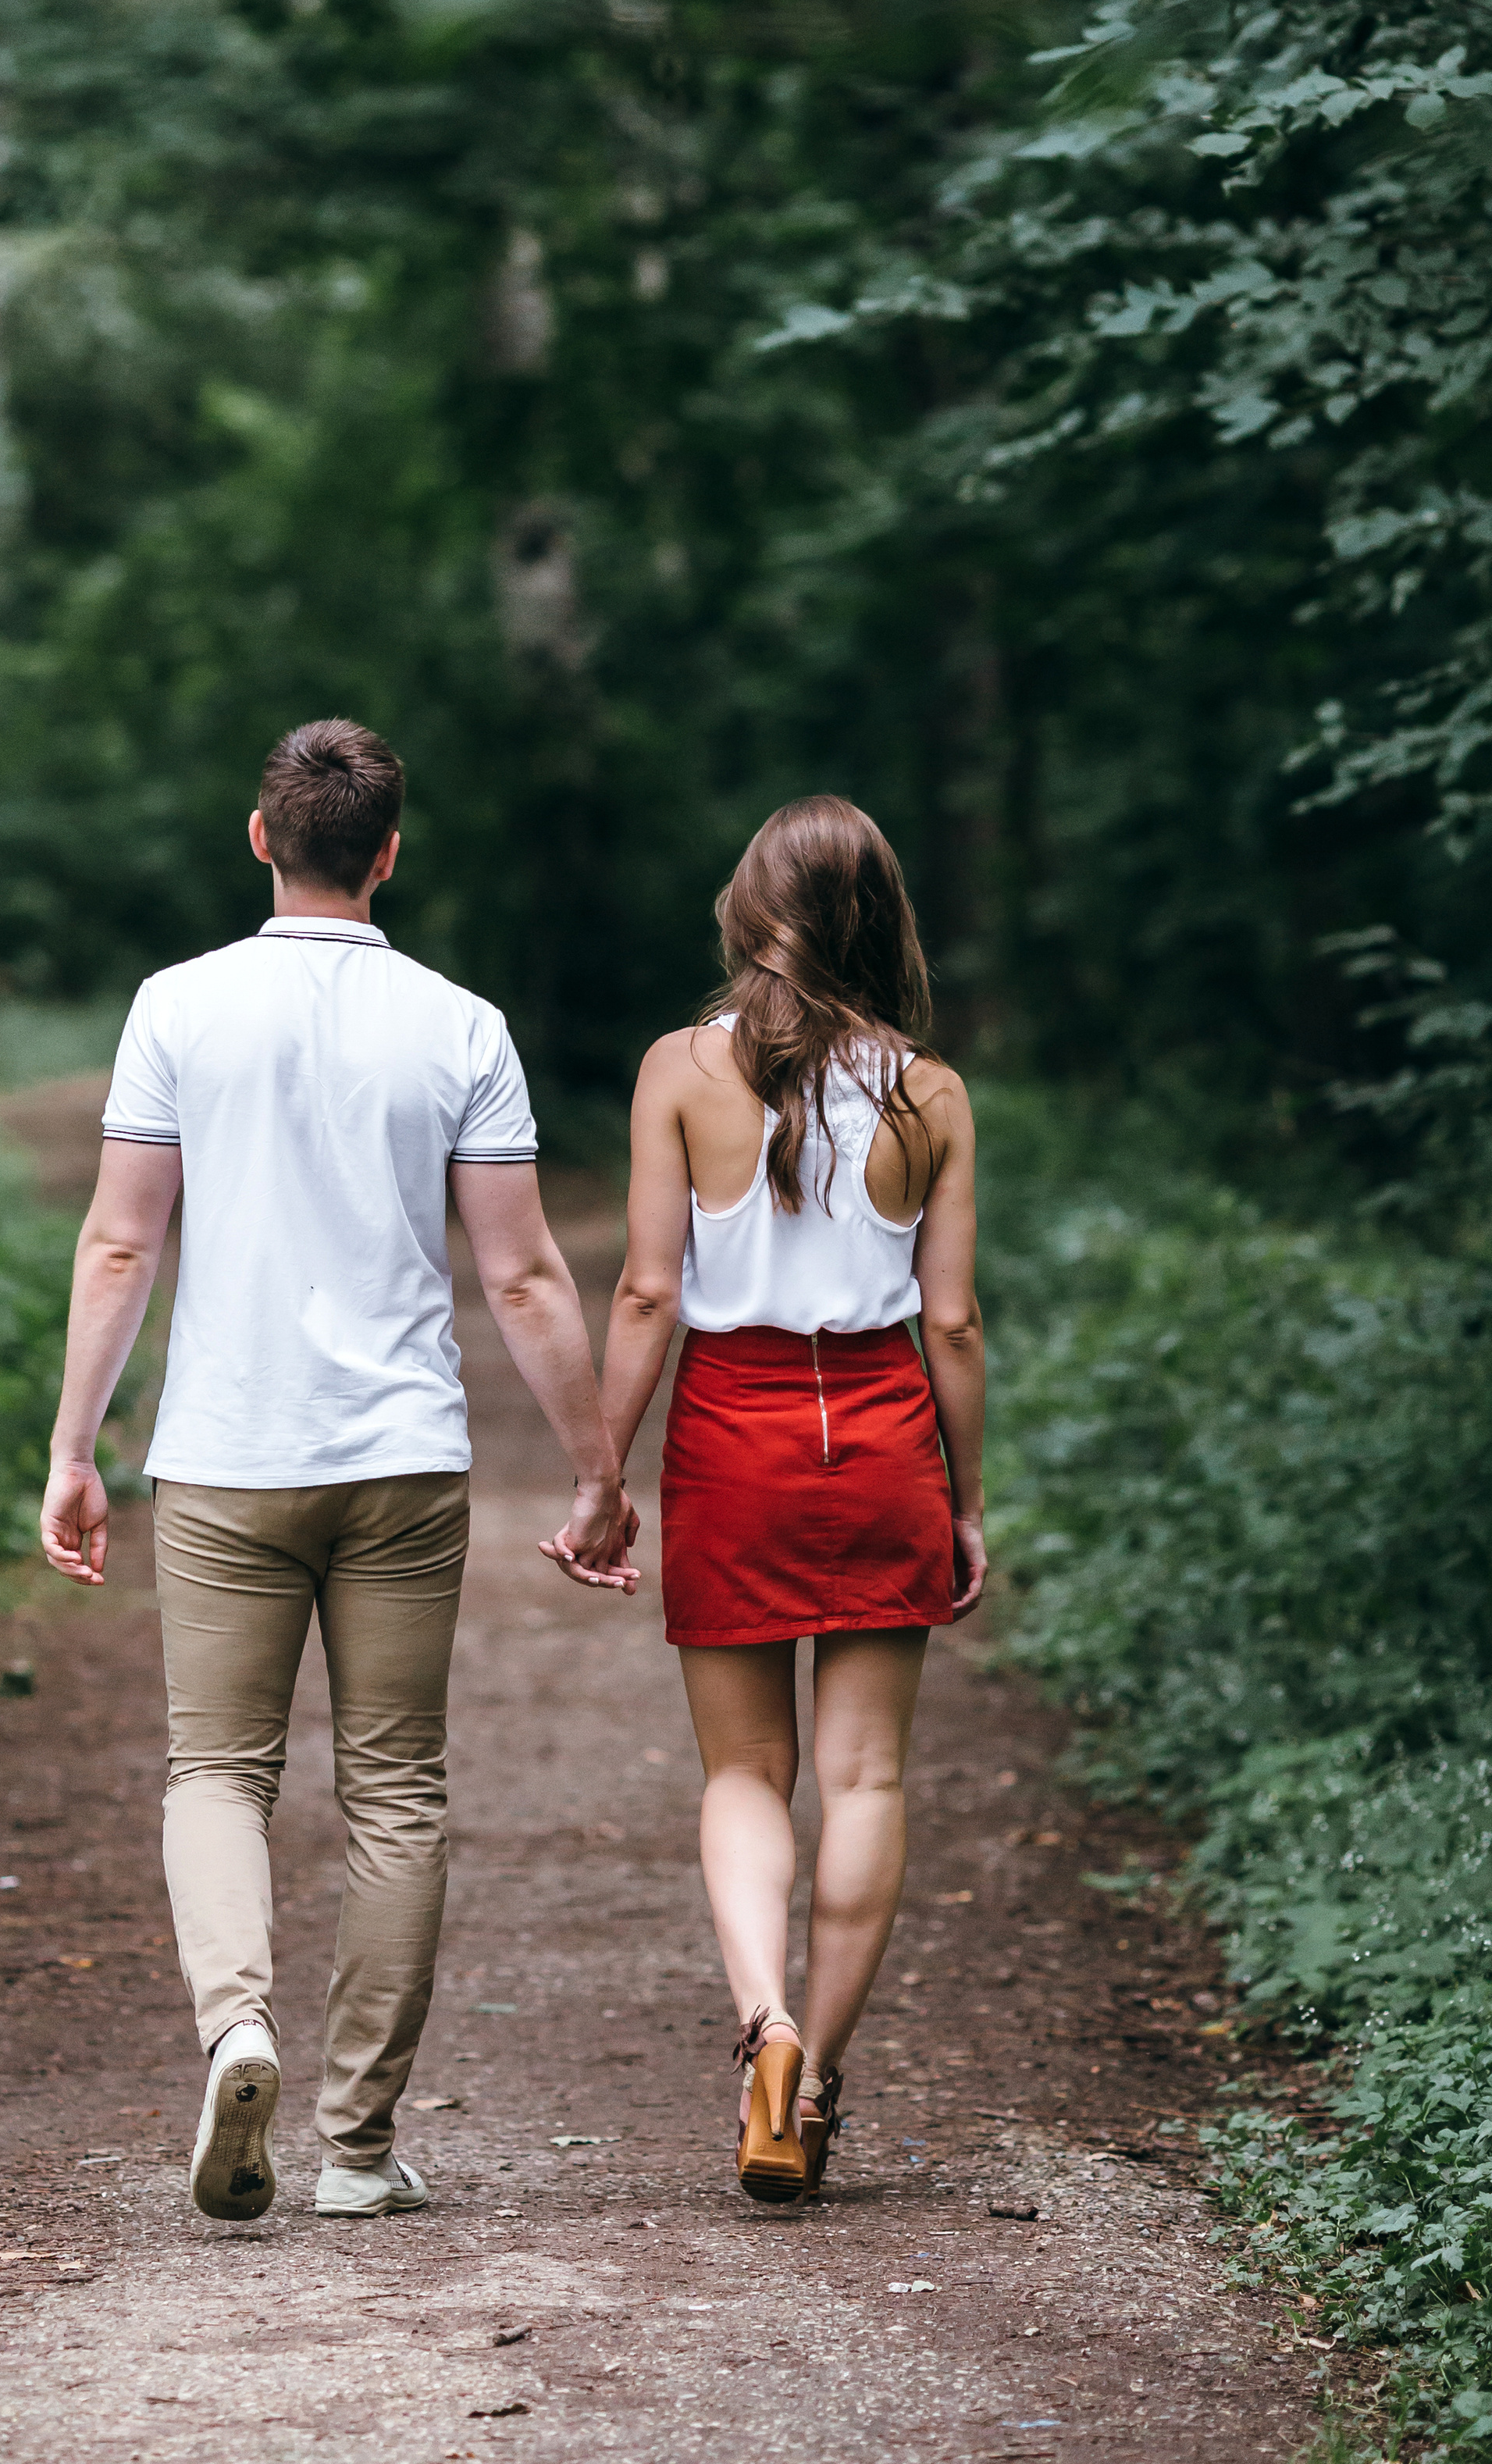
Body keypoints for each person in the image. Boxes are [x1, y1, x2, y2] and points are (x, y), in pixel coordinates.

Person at [38, 718, 637, 2227]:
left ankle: (237, 2028)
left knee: (214, 1770)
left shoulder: (177, 1008)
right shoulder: (461, 1026)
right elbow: (522, 1279)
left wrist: (74, 1448)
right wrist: (598, 1471)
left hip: (228, 1456)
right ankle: (358, 2150)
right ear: (389, 852)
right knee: (395, 1790)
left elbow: (122, 1240)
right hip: (401, 1464)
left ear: (260, 839)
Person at [595, 795, 985, 2206]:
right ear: (880, 920)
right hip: (883, 1437)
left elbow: (647, 1290)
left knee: (746, 1774)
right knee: (868, 1776)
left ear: (749, 912)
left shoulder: (679, 1073)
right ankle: (813, 2078)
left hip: (733, 1437)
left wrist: (601, 1473)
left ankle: (757, 2018)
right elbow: (952, 1326)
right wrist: (965, 1498)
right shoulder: (929, 1093)